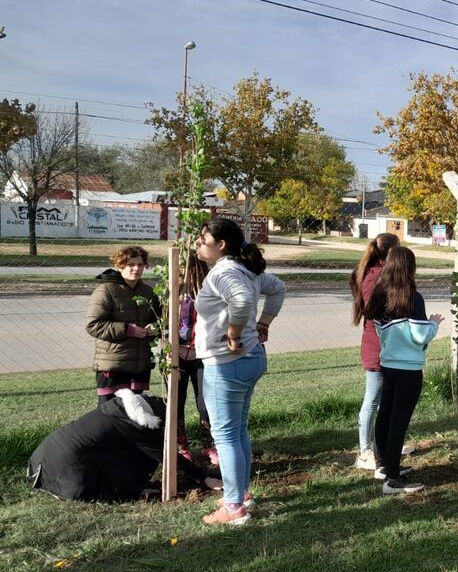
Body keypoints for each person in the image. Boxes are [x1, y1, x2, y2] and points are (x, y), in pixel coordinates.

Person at [195, 218, 287, 525]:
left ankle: (233, 507)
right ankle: (241, 493)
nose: (197, 244)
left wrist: (235, 333)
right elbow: (278, 289)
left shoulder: (225, 272)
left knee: (225, 435)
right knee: (236, 430)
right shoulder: (247, 269)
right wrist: (263, 324)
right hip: (249, 359)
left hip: (227, 364)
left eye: (202, 240)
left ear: (221, 246)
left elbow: (243, 299)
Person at [27, 389, 220, 502]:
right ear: (155, 420)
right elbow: (165, 455)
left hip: (42, 459)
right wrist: (203, 477)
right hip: (64, 468)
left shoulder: (119, 408)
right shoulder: (135, 425)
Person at [363, 247, 443, 495]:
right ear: (410, 267)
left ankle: (386, 466)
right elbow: (419, 335)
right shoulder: (412, 297)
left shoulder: (379, 293)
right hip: (409, 368)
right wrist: (433, 324)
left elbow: (379, 330)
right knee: (399, 420)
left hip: (388, 365)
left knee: (385, 415)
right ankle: (394, 481)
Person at [348, 233, 400, 471]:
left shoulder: (381, 273)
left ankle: (380, 444)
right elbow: (372, 312)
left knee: (381, 400)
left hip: (384, 345)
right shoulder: (375, 276)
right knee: (372, 399)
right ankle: (365, 451)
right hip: (377, 347)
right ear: (390, 253)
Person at [86, 246, 159, 403]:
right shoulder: (106, 291)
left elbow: (160, 319)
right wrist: (128, 330)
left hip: (140, 365)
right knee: (110, 415)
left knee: (137, 413)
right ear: (119, 266)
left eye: (140, 264)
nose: (136, 269)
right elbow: (94, 324)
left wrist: (156, 327)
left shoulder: (148, 292)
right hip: (113, 365)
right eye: (130, 265)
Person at [176, 256, 217, 465]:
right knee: (176, 402)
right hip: (176, 355)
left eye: (187, 269)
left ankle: (209, 444)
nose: (182, 273)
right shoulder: (171, 294)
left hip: (201, 356)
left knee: (205, 402)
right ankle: (181, 446)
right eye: (179, 268)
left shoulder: (207, 293)